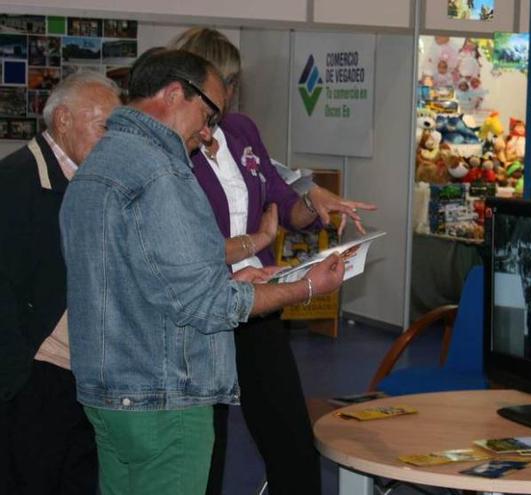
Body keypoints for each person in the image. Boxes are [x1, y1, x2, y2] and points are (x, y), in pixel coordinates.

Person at [59, 49, 344, 495]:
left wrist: (228, 275)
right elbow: (208, 307)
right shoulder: (162, 173)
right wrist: (307, 286)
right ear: (175, 93)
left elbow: (136, 276)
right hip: (164, 398)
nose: (209, 131)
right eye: (208, 113)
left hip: (109, 394)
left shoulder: (99, 162)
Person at [168, 27, 376, 495]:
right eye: (220, 81)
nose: (228, 92)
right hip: (203, 313)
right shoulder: (173, 146)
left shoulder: (242, 130)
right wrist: (249, 245)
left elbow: (283, 203)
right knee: (206, 444)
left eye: (233, 81)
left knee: (290, 438)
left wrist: (317, 206)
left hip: (259, 303)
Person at [0, 71, 121, 495]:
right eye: (104, 125)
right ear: (64, 120)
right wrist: (18, 378)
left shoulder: (89, 182)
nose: (112, 139)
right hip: (36, 376)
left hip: (82, 372)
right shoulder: (15, 182)